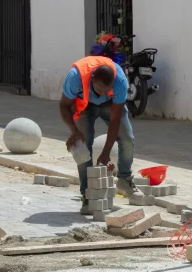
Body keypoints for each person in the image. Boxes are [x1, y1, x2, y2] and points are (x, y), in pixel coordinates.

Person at [59, 35, 143, 214]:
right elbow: (64, 106)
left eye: (108, 90)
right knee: (83, 147)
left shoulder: (119, 81)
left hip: (110, 106)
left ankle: (124, 180)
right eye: (100, 89)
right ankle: (87, 194)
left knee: (127, 138)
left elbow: (115, 120)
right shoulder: (75, 77)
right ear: (92, 79)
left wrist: (105, 153)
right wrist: (74, 131)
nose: (104, 92)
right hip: (85, 105)